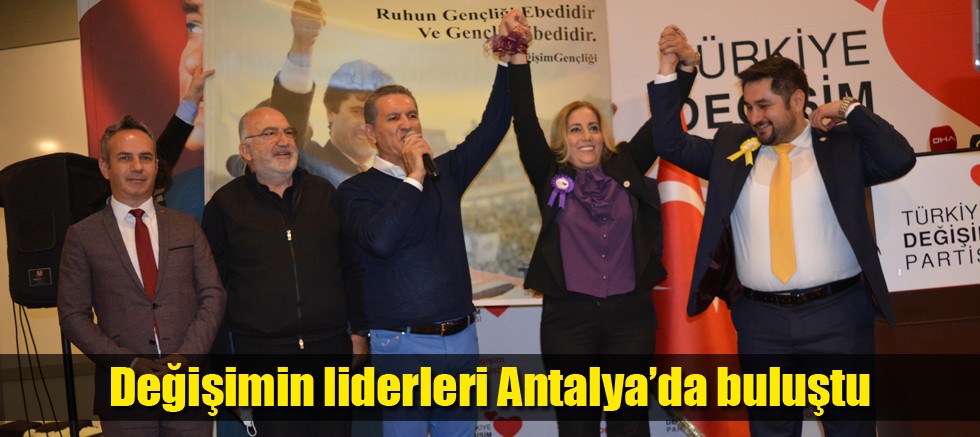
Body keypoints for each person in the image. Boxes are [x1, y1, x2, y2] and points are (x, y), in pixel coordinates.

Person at [651, 25, 915, 435]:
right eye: (748, 107)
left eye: (764, 105)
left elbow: (899, 159)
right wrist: (673, 69)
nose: (754, 117)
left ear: (797, 100)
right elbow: (668, 142)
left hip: (838, 316)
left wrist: (849, 109)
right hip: (761, 323)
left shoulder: (840, 145)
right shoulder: (732, 146)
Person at [505, 12, 698, 436]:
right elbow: (524, 118)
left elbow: (662, 124)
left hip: (630, 319)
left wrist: (684, 67)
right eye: (575, 129)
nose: (586, 136)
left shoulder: (625, 163)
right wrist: (518, 55)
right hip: (568, 321)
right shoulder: (548, 173)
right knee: (578, 426)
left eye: (593, 127)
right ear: (563, 138)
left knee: (630, 424)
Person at [331, 11, 518, 436]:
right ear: (370, 133)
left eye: (412, 115)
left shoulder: (444, 173)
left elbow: (493, 125)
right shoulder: (355, 191)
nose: (407, 124)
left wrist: (508, 57)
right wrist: (414, 174)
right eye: (394, 118)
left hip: (461, 338)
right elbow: (381, 240)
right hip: (401, 345)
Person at [201, 106, 366, 436]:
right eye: (269, 133)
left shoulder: (325, 194)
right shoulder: (224, 206)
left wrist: (360, 334)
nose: (283, 140)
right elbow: (212, 293)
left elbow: (352, 269)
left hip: (330, 356)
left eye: (288, 132)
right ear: (245, 150)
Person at [58, 115, 227, 436]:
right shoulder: (82, 236)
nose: (137, 167)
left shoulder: (187, 226)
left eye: (146, 158)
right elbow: (72, 316)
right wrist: (129, 363)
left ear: (156, 165)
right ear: (105, 167)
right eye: (125, 158)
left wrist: (187, 357)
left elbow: (213, 295)